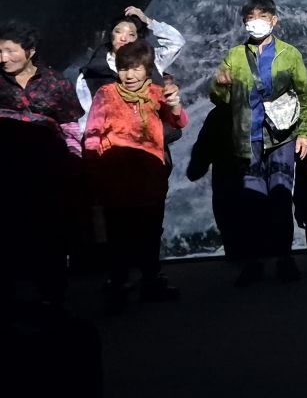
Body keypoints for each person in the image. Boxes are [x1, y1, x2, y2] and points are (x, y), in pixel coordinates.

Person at [209, 0, 307, 287]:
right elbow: (219, 98)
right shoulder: (234, 55)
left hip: (281, 137)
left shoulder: (290, 54)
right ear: (244, 23)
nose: (256, 23)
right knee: (251, 202)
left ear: (274, 20)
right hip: (248, 137)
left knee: (281, 197)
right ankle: (253, 261)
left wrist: (304, 132)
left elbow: (305, 95)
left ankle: (284, 258)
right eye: (251, 18)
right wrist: (219, 85)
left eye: (262, 17)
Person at [83, 39, 187, 311]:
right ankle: (118, 282)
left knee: (151, 231)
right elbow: (92, 134)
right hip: (115, 178)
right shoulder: (106, 94)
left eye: (136, 68)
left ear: (147, 69)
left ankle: (151, 280)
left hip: (150, 176)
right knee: (118, 233)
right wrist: (92, 169)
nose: (129, 75)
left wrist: (175, 103)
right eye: (124, 68)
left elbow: (178, 123)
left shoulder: (156, 93)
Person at [0, 22, 83, 306]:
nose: (3, 58)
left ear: (31, 51)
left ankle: (53, 297)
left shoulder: (56, 82)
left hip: (49, 173)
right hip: (7, 175)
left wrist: (75, 161)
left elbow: (70, 125)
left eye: (10, 51)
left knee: (50, 234)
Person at [75, 5, 185, 120]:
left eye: (131, 34)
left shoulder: (151, 60)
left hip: (158, 132)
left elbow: (177, 43)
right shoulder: (90, 74)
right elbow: (88, 118)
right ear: (111, 34)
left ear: (137, 39)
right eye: (118, 32)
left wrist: (147, 21)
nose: (124, 38)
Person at [185, 102, 243, 257]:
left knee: (232, 229)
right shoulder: (220, 114)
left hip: (228, 183)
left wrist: (196, 167)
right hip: (252, 183)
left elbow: (200, 157)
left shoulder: (219, 114)